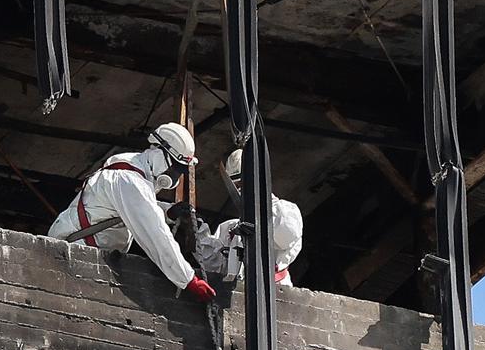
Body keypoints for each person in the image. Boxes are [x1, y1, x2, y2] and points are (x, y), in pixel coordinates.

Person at [50, 122, 215, 302]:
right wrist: (188, 279)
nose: (176, 174)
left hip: (86, 253)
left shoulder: (131, 172)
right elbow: (155, 233)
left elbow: (134, 207)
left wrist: (168, 212)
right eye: (176, 166)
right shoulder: (130, 180)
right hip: (76, 253)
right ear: (159, 153)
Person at [198, 150, 303, 286]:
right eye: (237, 185)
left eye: (244, 183)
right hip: (238, 294)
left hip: (275, 293)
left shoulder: (286, 212)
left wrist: (259, 222)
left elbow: (286, 235)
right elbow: (214, 264)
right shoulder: (230, 227)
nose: (240, 190)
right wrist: (196, 232)